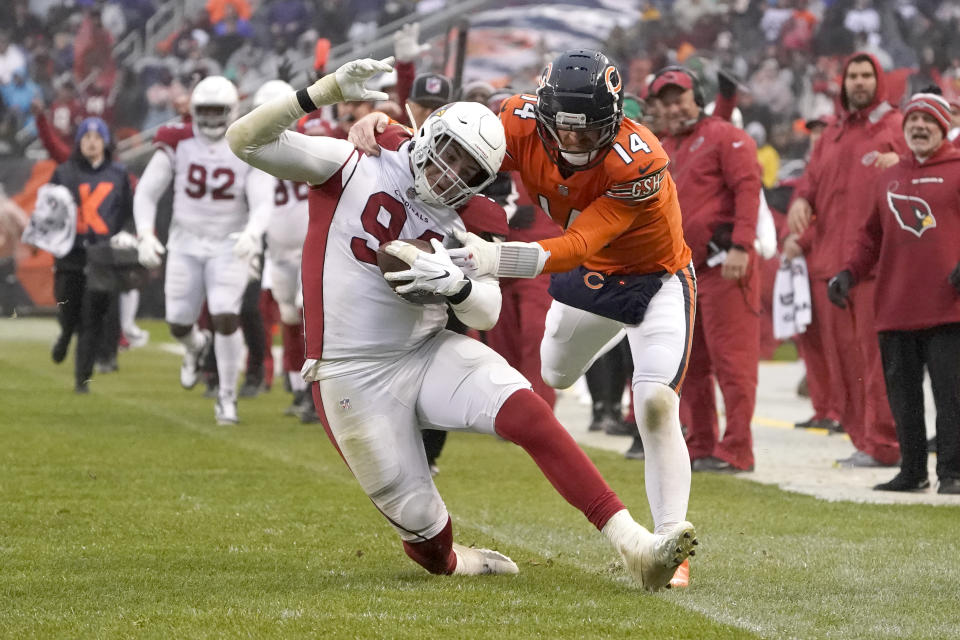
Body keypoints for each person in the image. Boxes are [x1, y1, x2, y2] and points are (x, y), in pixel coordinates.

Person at [225, 56, 696, 588]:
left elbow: (489, 309)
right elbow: (245, 141)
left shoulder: (471, 214)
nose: (453, 176)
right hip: (348, 373)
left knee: (531, 413)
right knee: (428, 544)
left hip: (426, 352)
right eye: (448, 156)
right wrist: (325, 91)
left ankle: (634, 542)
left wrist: (460, 284)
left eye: (472, 172)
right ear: (425, 137)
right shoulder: (358, 159)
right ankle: (457, 560)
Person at [827, 93, 960, 495]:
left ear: (943, 127)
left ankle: (952, 473)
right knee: (903, 398)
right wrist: (848, 273)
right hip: (895, 308)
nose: (919, 127)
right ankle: (913, 469)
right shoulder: (888, 176)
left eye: (928, 121)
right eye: (913, 121)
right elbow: (870, 236)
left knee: (950, 396)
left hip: (948, 308)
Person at [785, 52, 906, 469]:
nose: (858, 83)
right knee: (845, 364)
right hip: (828, 267)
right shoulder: (832, 135)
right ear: (842, 83)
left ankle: (886, 444)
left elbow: (923, 168)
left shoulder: (895, 127)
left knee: (876, 362)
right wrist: (801, 200)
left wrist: (902, 164)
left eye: (865, 75)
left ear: (879, 81)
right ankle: (864, 440)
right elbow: (810, 183)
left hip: (874, 267)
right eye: (852, 75)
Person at [133, 75, 273, 425]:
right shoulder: (177, 140)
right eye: (204, 111)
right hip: (185, 241)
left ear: (232, 110)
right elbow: (148, 192)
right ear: (194, 111)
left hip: (230, 241)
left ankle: (227, 398)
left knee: (226, 313)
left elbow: (262, 198)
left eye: (217, 111)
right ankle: (196, 346)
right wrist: (144, 234)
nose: (211, 119)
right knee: (178, 322)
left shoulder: (246, 140)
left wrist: (253, 233)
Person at [651, 66, 763, 474]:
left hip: (723, 267)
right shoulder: (662, 147)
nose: (674, 108)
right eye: (665, 103)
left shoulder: (725, 136)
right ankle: (700, 444)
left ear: (697, 98)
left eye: (679, 99)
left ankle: (737, 449)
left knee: (733, 363)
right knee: (690, 366)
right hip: (681, 274)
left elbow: (748, 189)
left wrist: (741, 245)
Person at [47, 117, 134, 392]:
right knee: (68, 311)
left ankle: (81, 379)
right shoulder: (64, 173)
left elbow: (127, 213)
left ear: (106, 141)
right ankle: (64, 335)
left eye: (97, 137)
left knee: (92, 317)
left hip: (103, 256)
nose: (92, 142)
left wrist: (125, 236)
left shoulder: (119, 174)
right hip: (71, 255)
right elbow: (49, 214)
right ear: (79, 141)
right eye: (86, 137)